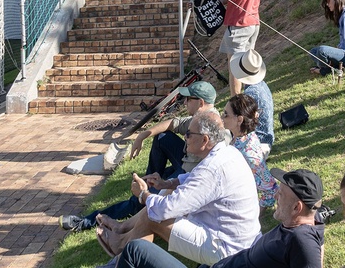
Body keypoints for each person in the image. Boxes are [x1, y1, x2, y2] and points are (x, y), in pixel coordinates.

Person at [60, 81, 226, 233]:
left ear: (200, 102)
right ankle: (149, 180)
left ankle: (86, 221)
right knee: (162, 137)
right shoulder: (200, 118)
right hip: (185, 164)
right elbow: (173, 123)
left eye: (188, 99)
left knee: (136, 203)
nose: (185, 102)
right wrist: (141, 136)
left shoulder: (212, 127)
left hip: (189, 173)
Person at [97, 110, 260, 264]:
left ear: (204, 140)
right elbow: (193, 178)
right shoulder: (226, 152)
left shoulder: (212, 169)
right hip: (236, 238)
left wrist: (143, 195)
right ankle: (123, 232)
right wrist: (167, 183)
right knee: (165, 195)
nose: (184, 137)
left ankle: (121, 247)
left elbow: (165, 210)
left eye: (188, 134)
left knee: (154, 214)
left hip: (227, 249)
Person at [207, 169, 327, 268]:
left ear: (296, 207)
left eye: (280, 194)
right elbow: (319, 238)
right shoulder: (311, 218)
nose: (275, 196)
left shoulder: (302, 240)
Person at [208, 0, 261, 96]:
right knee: (246, 65)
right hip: (252, 24)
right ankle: (249, 97)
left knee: (235, 67)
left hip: (239, 25)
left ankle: (236, 101)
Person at [222, 93, 276, 208]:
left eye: (226, 114)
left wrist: (255, 213)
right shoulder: (239, 138)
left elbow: (271, 191)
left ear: (239, 120)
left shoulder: (249, 152)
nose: (222, 117)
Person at [242, 77, 276, 151]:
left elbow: (243, 123)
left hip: (259, 142)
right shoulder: (262, 84)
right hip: (268, 137)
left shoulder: (250, 92)